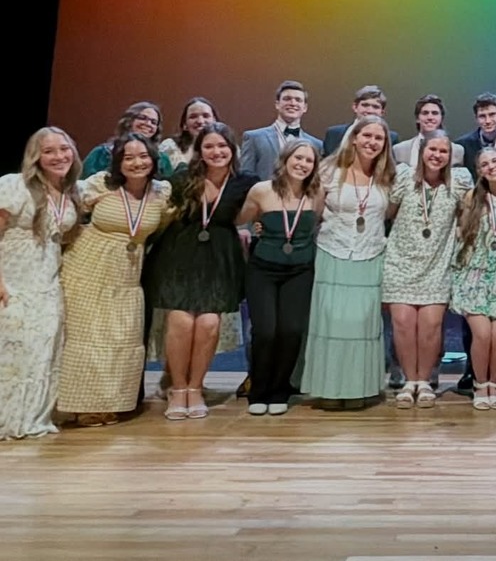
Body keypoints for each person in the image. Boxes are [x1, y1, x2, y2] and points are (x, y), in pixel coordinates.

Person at [143, 122, 259, 419]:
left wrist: (254, 228)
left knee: (208, 324)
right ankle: (177, 388)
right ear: (200, 150)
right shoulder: (183, 178)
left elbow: (255, 211)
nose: (216, 152)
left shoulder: (246, 182)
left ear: (232, 149)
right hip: (179, 255)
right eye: (209, 146)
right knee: (181, 321)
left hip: (219, 258)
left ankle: (196, 387)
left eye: (222, 146)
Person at [58, 133, 172, 426]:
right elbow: (64, 211)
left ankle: (111, 402)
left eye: (143, 156)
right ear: (118, 162)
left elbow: (167, 225)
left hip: (128, 274)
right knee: (87, 338)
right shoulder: (98, 184)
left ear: (153, 159)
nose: (137, 162)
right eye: (129, 157)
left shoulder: (162, 192)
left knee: (123, 339)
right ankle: (83, 406)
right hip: (88, 267)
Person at [300, 117, 395, 410]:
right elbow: (311, 214)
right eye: (367, 135)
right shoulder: (329, 170)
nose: (372, 142)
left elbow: (390, 215)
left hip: (369, 256)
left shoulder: (387, 176)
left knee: (361, 327)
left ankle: (359, 389)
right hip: (333, 252)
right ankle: (329, 389)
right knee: (332, 324)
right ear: (354, 137)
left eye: (378, 138)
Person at [0, 128, 81, 441]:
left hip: (47, 283)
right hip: (14, 281)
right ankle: (9, 419)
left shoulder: (71, 192)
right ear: (36, 156)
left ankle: (33, 417)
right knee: (13, 355)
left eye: (64, 149)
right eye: (49, 151)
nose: (59, 156)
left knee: (42, 352)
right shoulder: (14, 185)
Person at [382, 130, 473, 409]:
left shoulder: (459, 181)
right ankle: (409, 381)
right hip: (401, 261)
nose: (437, 155)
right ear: (422, 151)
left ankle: (424, 381)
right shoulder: (403, 177)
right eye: (432, 150)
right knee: (403, 326)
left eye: (443, 151)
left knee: (431, 327)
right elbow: (389, 213)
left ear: (450, 156)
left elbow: (467, 217)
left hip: (437, 263)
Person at [237, 140, 325, 415]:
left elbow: (317, 225)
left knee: (290, 331)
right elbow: (243, 221)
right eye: (298, 158)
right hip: (263, 269)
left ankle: (280, 389)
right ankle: (259, 390)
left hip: (300, 270)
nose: (302, 164)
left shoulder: (317, 193)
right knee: (265, 331)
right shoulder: (261, 190)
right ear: (285, 160)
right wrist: (257, 227)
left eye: (309, 160)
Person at [454, 92, 496, 393]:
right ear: (478, 170)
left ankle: (495, 384)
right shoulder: (471, 197)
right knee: (481, 336)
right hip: (476, 277)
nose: (491, 167)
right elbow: (460, 233)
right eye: (485, 164)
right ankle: (480, 384)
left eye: (495, 161)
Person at [81, 101, 175, 179]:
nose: (148, 124)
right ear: (128, 121)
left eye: (154, 122)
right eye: (142, 118)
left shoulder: (162, 159)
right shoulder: (101, 153)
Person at [322, 85, 400, 156]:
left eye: (375, 107)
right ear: (355, 107)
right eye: (365, 105)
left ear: (382, 112)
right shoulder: (333, 133)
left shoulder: (391, 138)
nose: (370, 110)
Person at [393, 94, 466, 168]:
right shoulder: (399, 150)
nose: (430, 117)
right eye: (425, 113)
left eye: (435, 113)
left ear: (441, 118)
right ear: (417, 118)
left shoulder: (457, 150)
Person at [159, 97, 219, 171]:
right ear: (184, 124)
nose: (200, 121)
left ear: (215, 120)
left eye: (206, 116)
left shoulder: (227, 147)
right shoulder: (169, 146)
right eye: (193, 117)